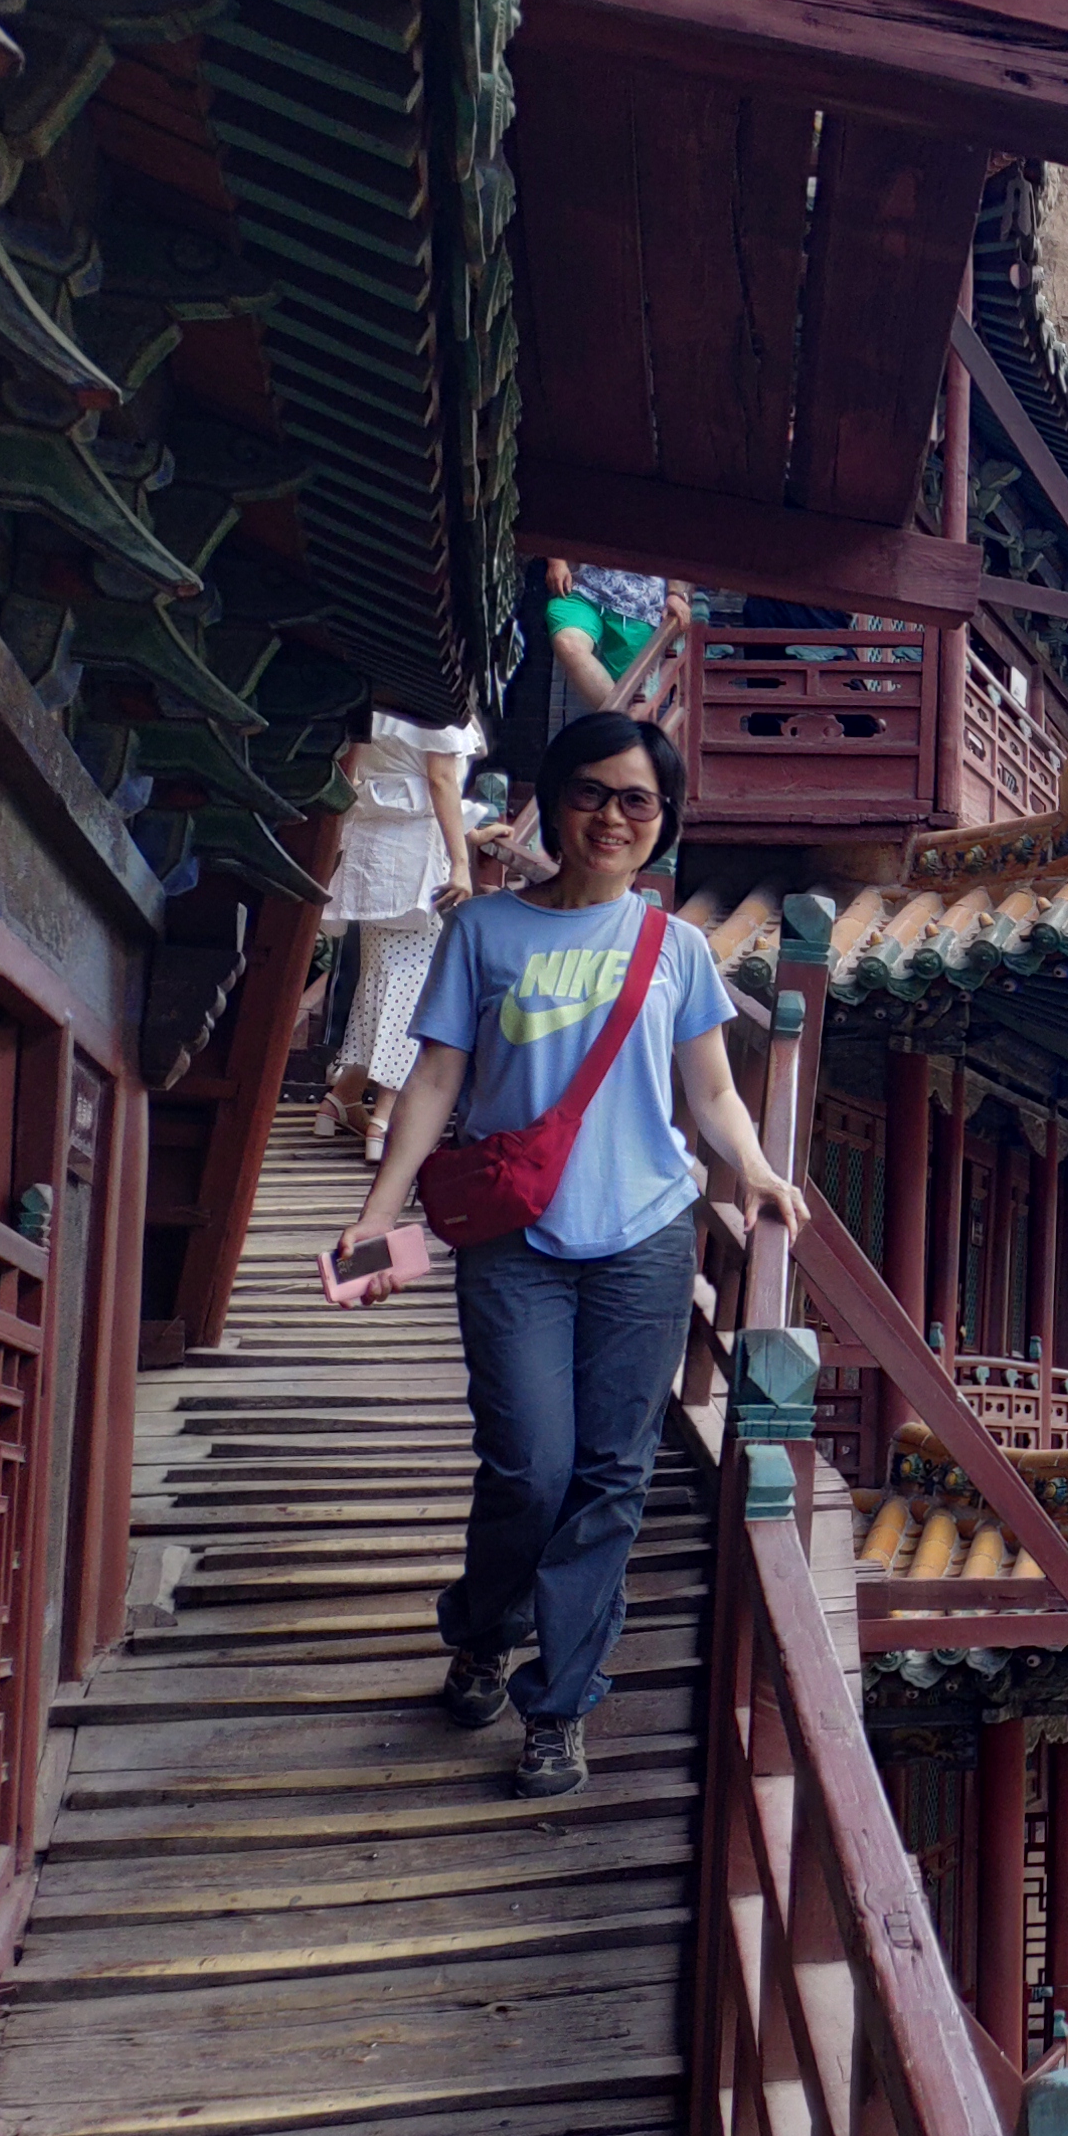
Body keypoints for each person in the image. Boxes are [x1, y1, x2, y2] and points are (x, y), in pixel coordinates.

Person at [332, 711, 808, 1797]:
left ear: (663, 819)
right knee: (528, 1465)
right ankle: (482, 1628)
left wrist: (755, 1168)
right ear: (553, 800)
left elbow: (711, 1091)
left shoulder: (675, 948)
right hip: (513, 1238)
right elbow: (437, 1080)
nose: (612, 816)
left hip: (645, 1234)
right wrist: (377, 1215)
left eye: (638, 800)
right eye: (592, 792)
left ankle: (560, 1704)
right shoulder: (483, 932)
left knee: (609, 1476)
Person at [317, 708, 482, 1152]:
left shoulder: (375, 701)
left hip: (372, 850)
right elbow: (439, 780)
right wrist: (461, 862)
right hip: (416, 861)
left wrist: (471, 836)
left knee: (379, 979)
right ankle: (385, 1115)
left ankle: (342, 1098)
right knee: (413, 985)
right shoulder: (435, 701)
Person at [542, 560, 687, 711]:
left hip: (641, 607)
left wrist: (676, 593)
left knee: (632, 691)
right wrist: (557, 562)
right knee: (568, 643)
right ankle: (622, 721)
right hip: (583, 589)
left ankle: (620, 721)